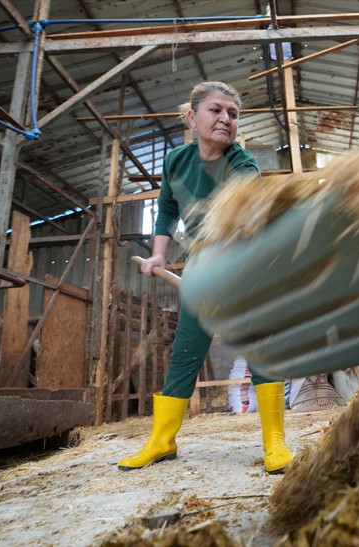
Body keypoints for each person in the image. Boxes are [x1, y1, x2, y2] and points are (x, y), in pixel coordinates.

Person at [118, 81, 293, 474]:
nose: (226, 119)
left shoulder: (241, 164)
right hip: (200, 270)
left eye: (233, 114)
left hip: (242, 268)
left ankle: (275, 443)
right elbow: (166, 211)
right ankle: (162, 441)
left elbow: (250, 212)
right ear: (192, 117)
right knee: (185, 354)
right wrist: (160, 254)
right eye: (216, 110)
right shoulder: (176, 161)